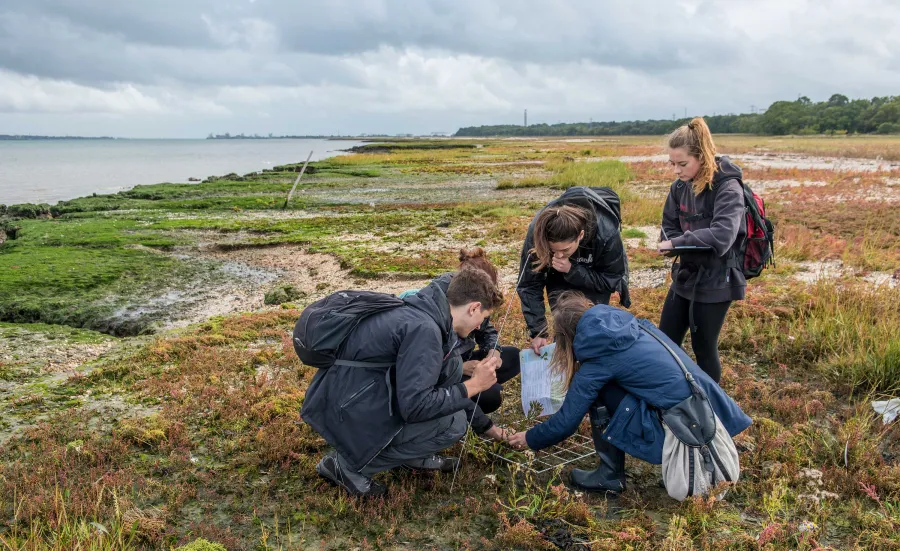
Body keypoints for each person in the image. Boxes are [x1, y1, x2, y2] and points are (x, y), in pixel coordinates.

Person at [508, 292, 751, 495]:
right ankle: (612, 471)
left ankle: (609, 475)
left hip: (682, 426)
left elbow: (565, 423)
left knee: (599, 391)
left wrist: (529, 438)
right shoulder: (631, 327)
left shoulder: (598, 359)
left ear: (566, 337)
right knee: (611, 385)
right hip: (702, 410)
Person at [302, 265, 506, 497]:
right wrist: (475, 385)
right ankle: (345, 467)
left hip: (346, 400)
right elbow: (416, 406)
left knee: (451, 390)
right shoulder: (425, 330)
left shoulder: (425, 306)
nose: (480, 326)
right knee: (454, 424)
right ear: (474, 308)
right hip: (349, 409)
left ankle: (411, 456)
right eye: (483, 318)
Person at [656, 117, 747, 383]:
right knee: (666, 341)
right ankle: (675, 397)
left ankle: (710, 409)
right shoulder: (679, 187)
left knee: (704, 349)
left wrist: (676, 244)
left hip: (718, 280)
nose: (676, 170)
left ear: (702, 157)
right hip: (686, 275)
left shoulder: (728, 187)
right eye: (671, 163)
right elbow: (668, 226)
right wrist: (671, 243)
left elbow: (723, 235)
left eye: (682, 163)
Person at [400, 248, 521, 418]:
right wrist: (461, 369)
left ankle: (478, 390)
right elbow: (423, 375)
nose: (478, 326)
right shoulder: (430, 322)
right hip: (445, 373)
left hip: (463, 361)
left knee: (514, 356)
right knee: (491, 395)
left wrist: (493, 352)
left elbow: (487, 330)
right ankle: (469, 403)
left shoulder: (476, 303)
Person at [517, 186, 630, 354]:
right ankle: (565, 366)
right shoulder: (537, 232)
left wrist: (572, 270)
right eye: (554, 250)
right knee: (564, 327)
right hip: (556, 276)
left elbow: (610, 280)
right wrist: (538, 331)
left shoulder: (606, 234)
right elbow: (529, 284)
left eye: (565, 250)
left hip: (595, 273)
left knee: (591, 330)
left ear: (581, 235)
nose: (559, 255)